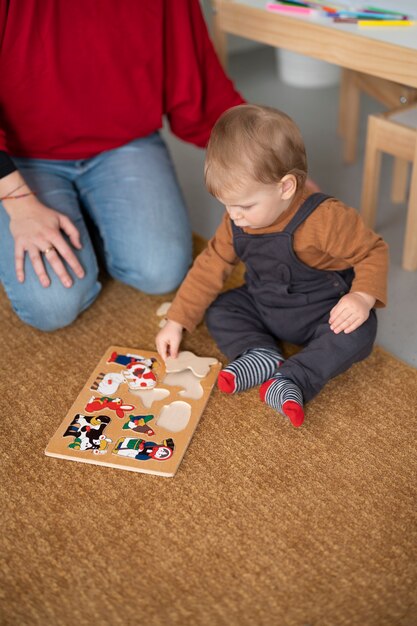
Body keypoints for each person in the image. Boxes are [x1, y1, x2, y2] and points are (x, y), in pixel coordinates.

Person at [0, 0, 244, 331]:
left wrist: (265, 161)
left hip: (124, 142)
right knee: (53, 306)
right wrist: (18, 202)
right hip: (18, 157)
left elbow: (199, 84)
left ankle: (87, 217)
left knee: (161, 270)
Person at [156, 104, 389, 428]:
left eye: (245, 206)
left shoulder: (325, 218)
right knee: (221, 308)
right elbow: (210, 265)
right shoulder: (236, 218)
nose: (234, 216)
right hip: (264, 304)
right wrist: (176, 321)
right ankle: (260, 354)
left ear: (285, 187)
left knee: (360, 332)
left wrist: (362, 297)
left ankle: (294, 377)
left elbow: (372, 251)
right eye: (227, 205)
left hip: (324, 314)